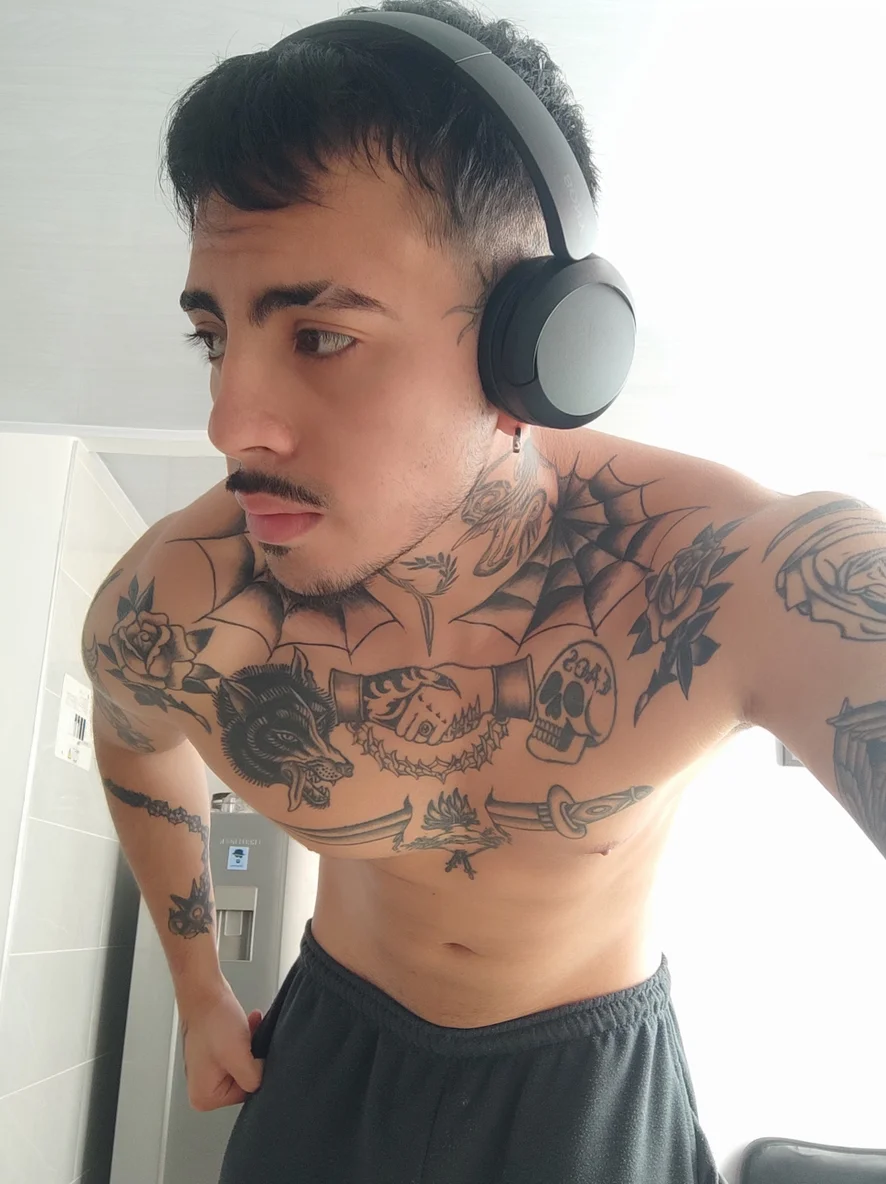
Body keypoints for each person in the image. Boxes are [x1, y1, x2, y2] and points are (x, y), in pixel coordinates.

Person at [82, 1, 886, 1180]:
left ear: (536, 352)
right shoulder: (182, 605)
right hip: (334, 1050)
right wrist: (199, 989)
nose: (229, 423)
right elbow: (132, 733)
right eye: (215, 337)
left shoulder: (734, 579)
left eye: (319, 335)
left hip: (587, 1084)